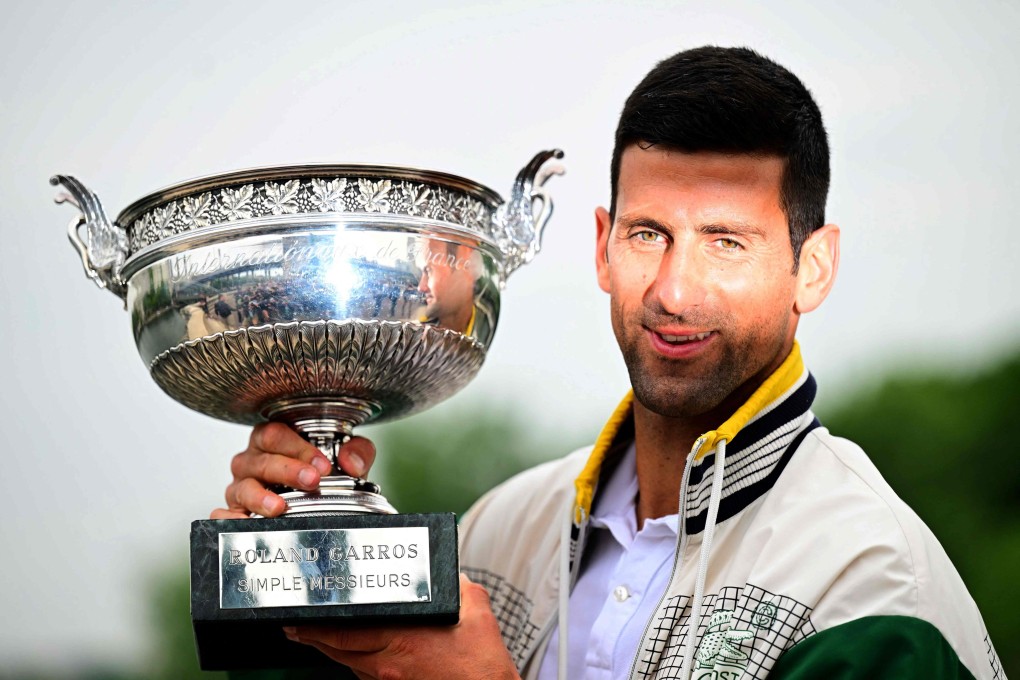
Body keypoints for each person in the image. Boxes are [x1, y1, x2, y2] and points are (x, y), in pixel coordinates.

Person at [212, 46, 1002, 679]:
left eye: (726, 242)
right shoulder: (500, 532)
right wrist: (292, 565)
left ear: (813, 269)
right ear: (601, 243)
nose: (674, 289)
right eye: (647, 233)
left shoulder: (871, 594)